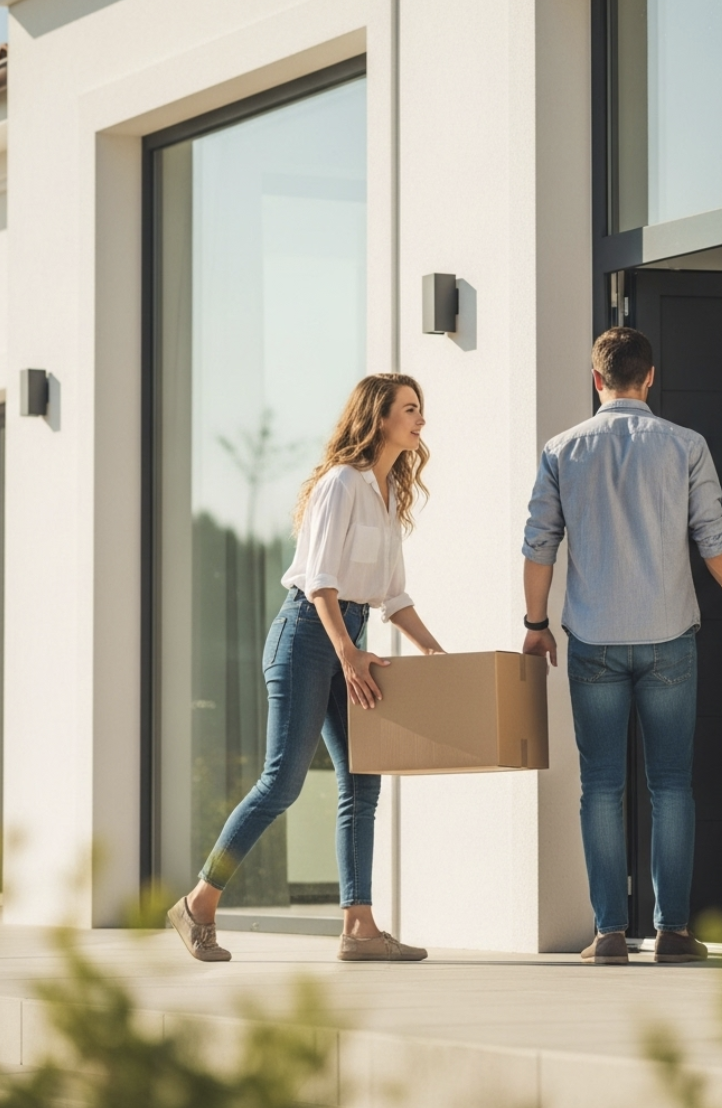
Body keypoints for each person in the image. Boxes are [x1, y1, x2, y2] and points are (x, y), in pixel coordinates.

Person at [169, 374, 443, 963]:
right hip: (306, 638)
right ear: (379, 417)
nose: (421, 419)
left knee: (362, 781)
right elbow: (319, 581)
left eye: (420, 409)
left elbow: (393, 597)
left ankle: (359, 928)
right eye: (410, 409)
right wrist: (347, 652)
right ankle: (198, 903)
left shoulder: (390, 494)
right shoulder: (341, 483)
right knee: (282, 783)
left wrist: (435, 653)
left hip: (349, 640)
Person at [521, 327, 722, 965]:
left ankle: (608, 934)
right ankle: (673, 932)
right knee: (672, 785)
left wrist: (535, 622)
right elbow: (714, 534)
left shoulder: (561, 449)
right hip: (668, 639)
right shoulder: (685, 445)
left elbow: (539, 545)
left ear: (596, 379)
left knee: (601, 787)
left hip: (594, 640)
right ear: (649, 377)